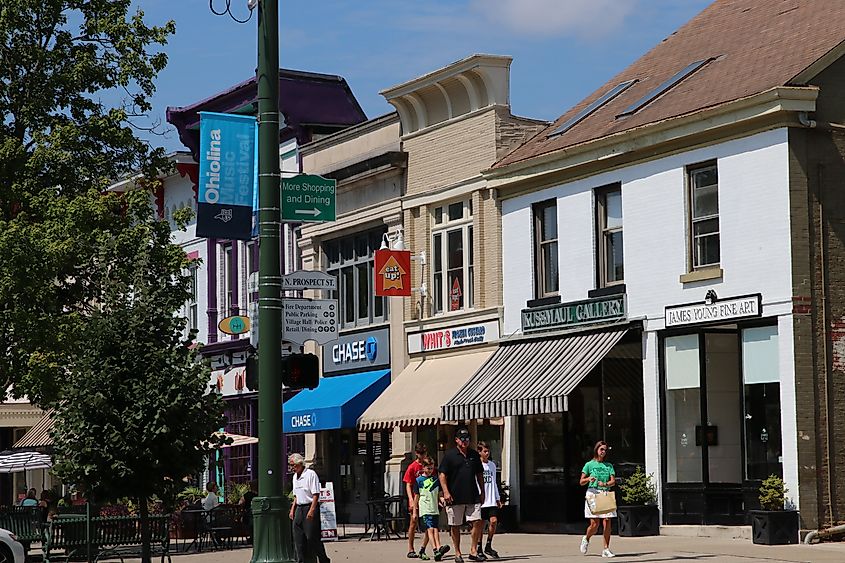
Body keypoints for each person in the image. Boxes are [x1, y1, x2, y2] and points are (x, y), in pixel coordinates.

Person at [439, 428, 485, 563]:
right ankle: (457, 553)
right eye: (462, 439)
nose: (465, 441)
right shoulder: (450, 455)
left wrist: (483, 491)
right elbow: (442, 475)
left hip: (472, 494)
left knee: (477, 521)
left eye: (467, 439)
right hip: (454, 495)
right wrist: (445, 492)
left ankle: (473, 550)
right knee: (455, 524)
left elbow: (479, 474)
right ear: (457, 440)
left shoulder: (474, 455)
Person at [288, 453, 330, 563]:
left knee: (311, 537)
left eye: (293, 465)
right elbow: (296, 495)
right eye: (290, 465)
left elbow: (316, 494)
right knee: (298, 538)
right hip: (299, 508)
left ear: (300, 464)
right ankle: (301, 560)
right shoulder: (295, 477)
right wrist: (292, 509)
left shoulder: (311, 474)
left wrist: (312, 510)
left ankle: (324, 559)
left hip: (309, 506)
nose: (292, 468)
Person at [579, 441, 617, 558]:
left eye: (605, 450)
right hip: (593, 493)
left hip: (605, 493)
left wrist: (605, 484)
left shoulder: (609, 466)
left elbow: (613, 481)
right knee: (595, 524)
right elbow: (581, 481)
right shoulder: (589, 465)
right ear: (596, 450)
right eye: (601, 449)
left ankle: (606, 548)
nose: (603, 452)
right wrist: (588, 479)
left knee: (607, 520)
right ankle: (586, 538)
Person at [414, 457, 450, 562]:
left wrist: (442, 500)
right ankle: (436, 549)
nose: (430, 470)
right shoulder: (419, 481)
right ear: (423, 467)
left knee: (434, 528)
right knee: (431, 529)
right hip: (425, 508)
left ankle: (422, 551)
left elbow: (439, 494)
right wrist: (415, 511)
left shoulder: (435, 480)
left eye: (432, 468)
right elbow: (416, 497)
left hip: (434, 508)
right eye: (428, 468)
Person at [403, 442, 431, 558]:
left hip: (427, 498)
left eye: (424, 453)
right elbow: (408, 484)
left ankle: (423, 548)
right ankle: (411, 548)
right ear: (416, 453)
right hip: (416, 498)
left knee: (429, 523)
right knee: (413, 522)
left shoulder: (429, 465)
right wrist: (410, 499)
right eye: (420, 453)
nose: (422, 455)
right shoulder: (412, 467)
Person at [476, 442, 502, 559]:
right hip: (481, 500)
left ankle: (488, 544)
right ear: (479, 452)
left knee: (493, 521)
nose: (487, 453)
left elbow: (494, 482)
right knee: (480, 525)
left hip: (491, 499)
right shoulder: (477, 465)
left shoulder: (492, 465)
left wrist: (497, 498)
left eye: (488, 451)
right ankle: (479, 547)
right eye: (484, 451)